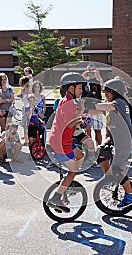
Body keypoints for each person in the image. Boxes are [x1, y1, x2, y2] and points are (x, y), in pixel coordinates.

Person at [85, 78, 132, 208]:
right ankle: (110, 178)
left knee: (117, 169)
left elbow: (107, 107)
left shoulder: (119, 102)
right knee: (100, 153)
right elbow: (98, 110)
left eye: (107, 91)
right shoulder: (114, 102)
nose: (105, 94)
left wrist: (89, 105)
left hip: (124, 141)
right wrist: (82, 111)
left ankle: (130, 195)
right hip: (115, 138)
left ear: (115, 91)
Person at [46, 72, 89, 212]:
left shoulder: (67, 101)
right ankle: (57, 197)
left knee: (80, 155)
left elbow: (72, 122)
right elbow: (70, 124)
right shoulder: (68, 103)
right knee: (74, 170)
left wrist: (81, 119)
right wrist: (81, 110)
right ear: (71, 88)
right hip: (61, 144)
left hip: (64, 140)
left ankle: (66, 184)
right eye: (80, 88)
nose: (82, 90)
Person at [82, 63, 104, 146]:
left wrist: (98, 76)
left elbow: (103, 89)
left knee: (97, 130)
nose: (91, 72)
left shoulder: (97, 81)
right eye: (89, 70)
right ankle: (89, 149)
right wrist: (82, 76)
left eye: (92, 70)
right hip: (87, 109)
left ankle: (99, 149)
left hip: (97, 108)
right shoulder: (84, 81)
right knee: (87, 130)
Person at [17, 76, 31, 144]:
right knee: (24, 124)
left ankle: (27, 139)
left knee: (28, 124)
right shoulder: (22, 90)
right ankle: (26, 139)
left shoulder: (30, 90)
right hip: (24, 107)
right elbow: (18, 95)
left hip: (29, 108)